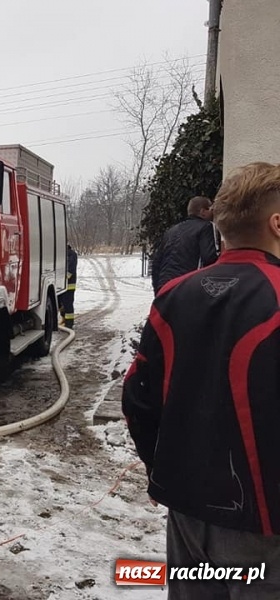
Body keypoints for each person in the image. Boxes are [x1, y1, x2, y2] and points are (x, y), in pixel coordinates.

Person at [122, 162, 280, 599]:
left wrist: (161, 470)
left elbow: (137, 396)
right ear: (277, 223)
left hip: (187, 514)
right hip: (264, 528)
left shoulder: (174, 296)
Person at [150, 196, 219, 295]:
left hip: (164, 287)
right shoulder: (206, 227)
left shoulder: (172, 230)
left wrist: (158, 292)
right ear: (203, 211)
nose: (214, 212)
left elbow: (156, 263)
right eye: (211, 209)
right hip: (186, 286)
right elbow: (209, 259)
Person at [59, 244, 77, 328]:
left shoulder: (71, 254)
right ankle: (64, 318)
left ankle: (69, 323)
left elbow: (71, 268)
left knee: (68, 304)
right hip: (61, 284)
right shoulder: (61, 254)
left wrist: (65, 277)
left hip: (69, 284)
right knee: (61, 303)